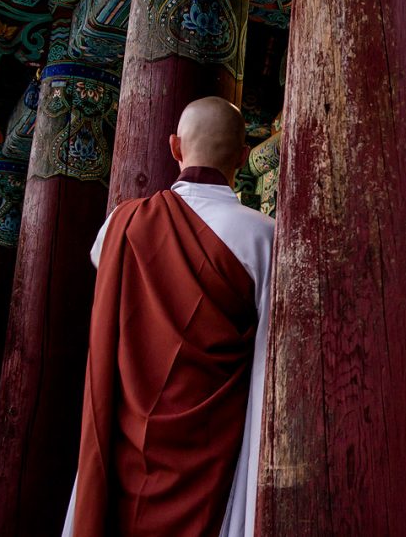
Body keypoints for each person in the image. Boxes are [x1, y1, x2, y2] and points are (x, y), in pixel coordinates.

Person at [63, 97, 274, 536]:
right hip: (212, 460)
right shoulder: (264, 235)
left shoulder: (120, 226)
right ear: (241, 156)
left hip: (125, 448)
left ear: (175, 148)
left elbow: (102, 264)